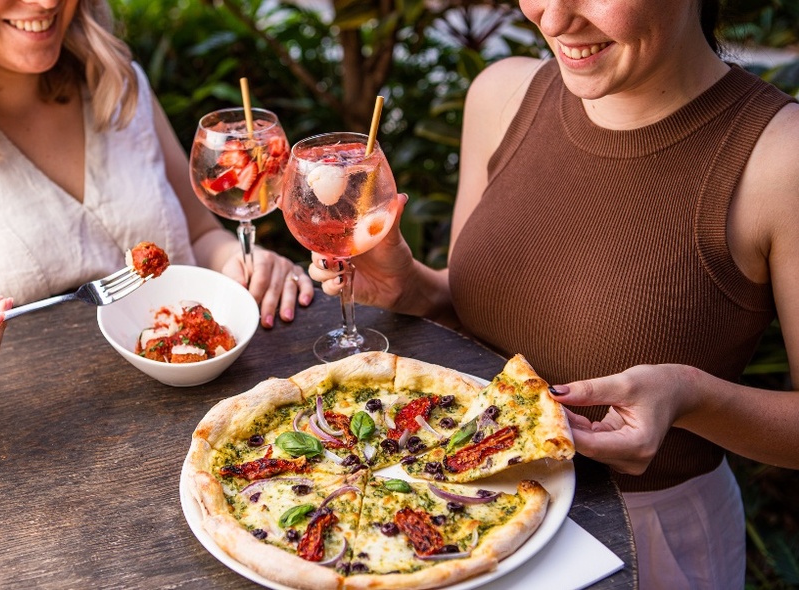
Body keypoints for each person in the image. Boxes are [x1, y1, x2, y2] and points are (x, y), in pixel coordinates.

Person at [310, 0, 799, 587]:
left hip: (645, 547)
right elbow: (487, 323)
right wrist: (415, 290)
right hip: (453, 509)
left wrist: (689, 398)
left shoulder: (781, 156)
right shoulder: (501, 93)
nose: (553, 17)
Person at [0, 0, 314, 389]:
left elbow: (199, 236)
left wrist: (244, 263)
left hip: (204, 394)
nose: (46, 3)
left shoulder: (121, 84)